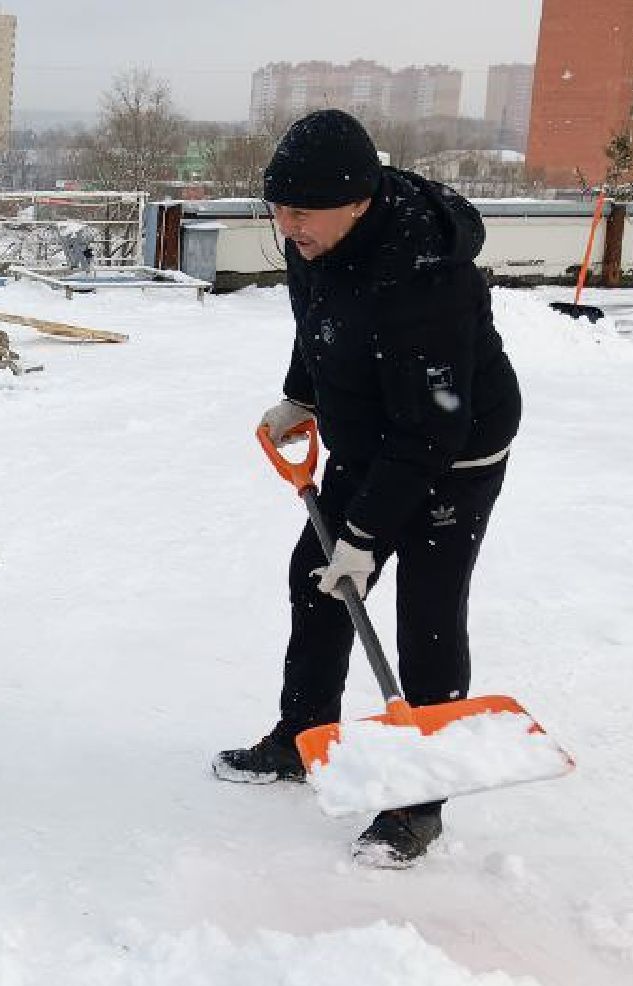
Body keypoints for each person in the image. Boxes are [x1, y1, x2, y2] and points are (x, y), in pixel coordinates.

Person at [212, 110, 523, 868]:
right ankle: (301, 736)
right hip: (371, 433)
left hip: (456, 453)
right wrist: (303, 395)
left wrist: (362, 537)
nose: (286, 228)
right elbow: (318, 322)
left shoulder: (427, 281)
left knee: (427, 616)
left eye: (300, 212)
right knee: (315, 581)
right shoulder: (318, 238)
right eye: (276, 210)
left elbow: (431, 435)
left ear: (358, 201)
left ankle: (419, 803)